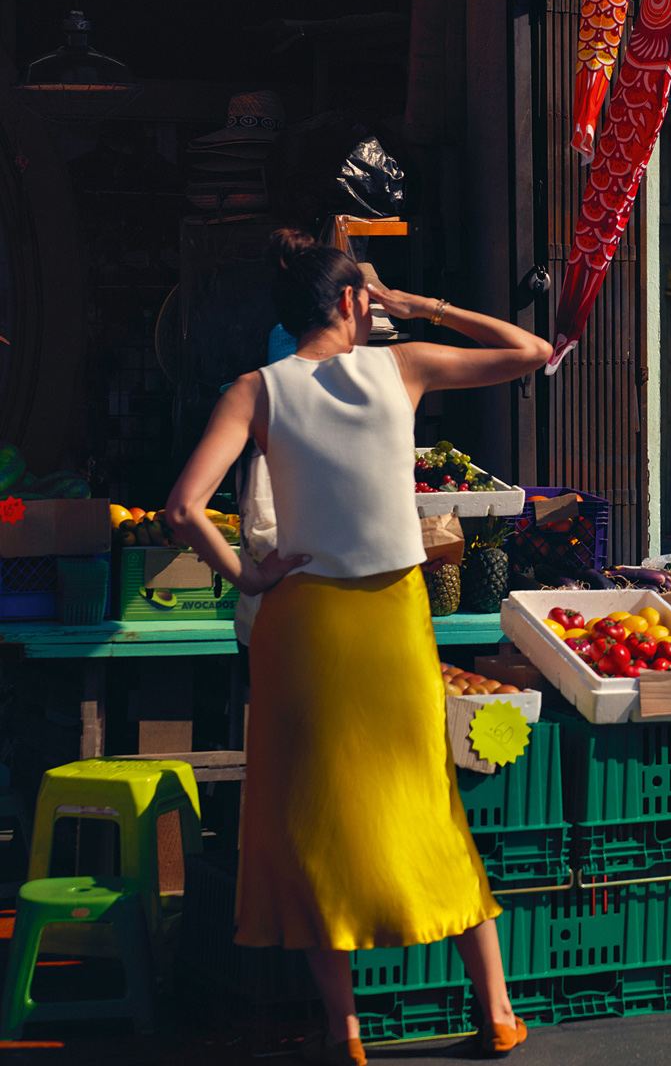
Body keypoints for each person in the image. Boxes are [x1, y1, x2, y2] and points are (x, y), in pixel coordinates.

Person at [164, 229, 551, 1065]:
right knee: (428, 800)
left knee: (311, 820)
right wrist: (421, 307)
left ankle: (345, 1031)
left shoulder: (254, 390)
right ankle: (496, 1012)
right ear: (352, 302)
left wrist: (247, 577)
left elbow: (182, 507)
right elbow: (532, 350)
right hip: (391, 621)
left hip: (301, 625)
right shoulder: (401, 365)